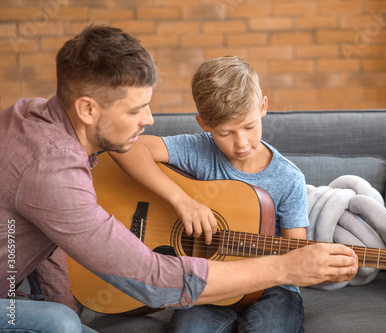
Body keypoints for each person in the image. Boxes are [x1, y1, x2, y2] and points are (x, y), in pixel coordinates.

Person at [0, 25, 358, 332]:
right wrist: (286, 266)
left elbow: (45, 239)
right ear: (87, 109)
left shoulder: (36, 117)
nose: (150, 120)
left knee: (63, 318)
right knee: (60, 324)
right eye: (136, 109)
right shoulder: (51, 168)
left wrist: (66, 304)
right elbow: (151, 279)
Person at [109, 55, 311, 332]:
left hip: (272, 288)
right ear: (204, 123)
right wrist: (182, 201)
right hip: (209, 281)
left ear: (263, 106)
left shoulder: (289, 179)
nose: (241, 143)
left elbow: (296, 252)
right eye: (225, 133)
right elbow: (125, 146)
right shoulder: (199, 150)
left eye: (249, 127)